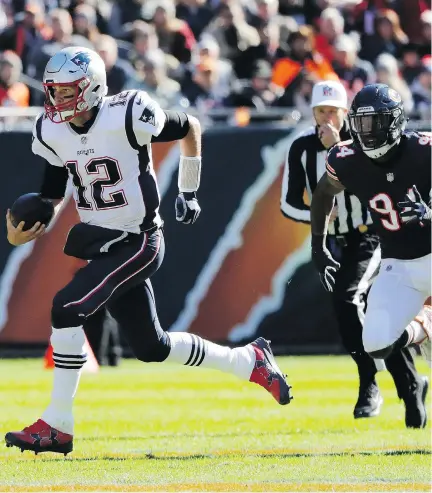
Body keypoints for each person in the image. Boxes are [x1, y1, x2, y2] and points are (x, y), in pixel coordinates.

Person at [4, 46, 292, 456]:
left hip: (139, 240)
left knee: (66, 308)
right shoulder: (52, 130)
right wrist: (21, 231)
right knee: (151, 347)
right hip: (102, 244)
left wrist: (188, 189)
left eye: (67, 93)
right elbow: (51, 195)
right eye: (53, 92)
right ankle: (249, 361)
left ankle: (57, 425)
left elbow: (190, 126)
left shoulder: (128, 112)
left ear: (91, 88)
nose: (58, 102)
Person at [281, 80, 428, 425]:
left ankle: (381, 384)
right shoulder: (321, 152)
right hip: (369, 252)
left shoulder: (419, 149)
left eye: (334, 111)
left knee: (349, 297)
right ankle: (413, 357)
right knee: (369, 332)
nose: (366, 131)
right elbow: (312, 197)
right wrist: (318, 243)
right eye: (321, 111)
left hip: (379, 238)